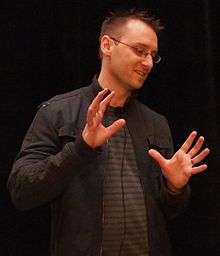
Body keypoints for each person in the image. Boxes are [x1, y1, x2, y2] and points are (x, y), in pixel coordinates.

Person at [8, 9, 210, 256]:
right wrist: (80, 148)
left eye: (152, 55)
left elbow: (169, 211)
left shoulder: (156, 123)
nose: (147, 62)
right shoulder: (57, 112)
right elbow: (21, 192)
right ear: (107, 45)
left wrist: (175, 189)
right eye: (139, 50)